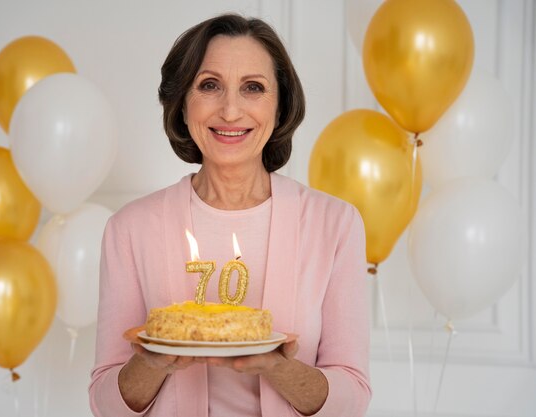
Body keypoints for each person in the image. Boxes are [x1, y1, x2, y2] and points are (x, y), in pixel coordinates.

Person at [89, 13, 371, 417]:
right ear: (182, 105)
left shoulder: (336, 225)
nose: (231, 110)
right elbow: (104, 404)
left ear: (280, 106)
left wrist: (276, 366)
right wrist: (151, 361)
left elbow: (353, 397)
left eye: (253, 88)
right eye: (209, 85)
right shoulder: (129, 229)